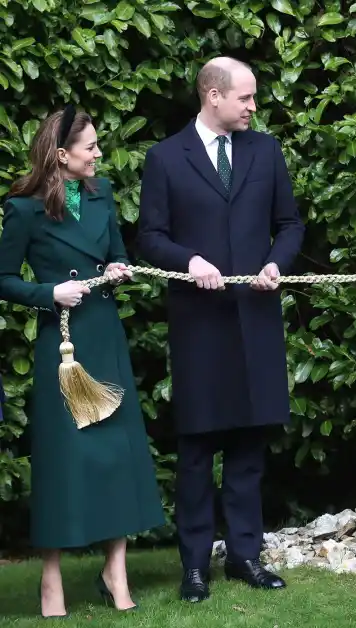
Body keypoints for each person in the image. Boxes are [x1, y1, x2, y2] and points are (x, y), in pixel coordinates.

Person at [136, 56, 305, 603]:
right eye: (246, 98)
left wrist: (278, 262)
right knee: (195, 453)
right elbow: (151, 237)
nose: (254, 107)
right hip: (199, 326)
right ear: (213, 96)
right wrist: (190, 262)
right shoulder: (164, 158)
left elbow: (289, 223)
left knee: (248, 448)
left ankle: (245, 557)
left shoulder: (266, 151)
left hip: (254, 320)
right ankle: (193, 567)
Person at [0, 106, 165, 617]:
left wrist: (118, 269)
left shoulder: (103, 192)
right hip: (63, 348)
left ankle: (115, 572)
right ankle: (51, 579)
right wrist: (50, 291)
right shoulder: (23, 209)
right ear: (59, 153)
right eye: (89, 146)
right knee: (61, 459)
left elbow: (117, 253)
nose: (98, 154)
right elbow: (3, 279)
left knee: (114, 454)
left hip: (103, 336)